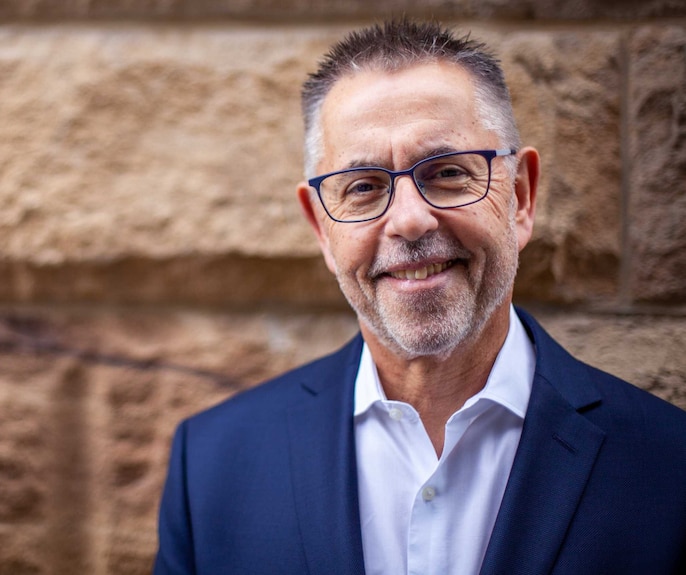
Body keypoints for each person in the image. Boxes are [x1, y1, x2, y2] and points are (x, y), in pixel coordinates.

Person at [153, 19, 686, 575]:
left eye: (448, 173)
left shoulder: (670, 469)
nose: (408, 220)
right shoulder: (212, 467)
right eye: (362, 187)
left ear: (521, 198)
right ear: (320, 229)